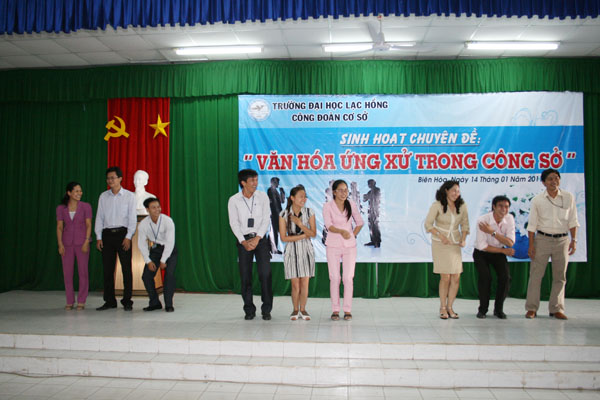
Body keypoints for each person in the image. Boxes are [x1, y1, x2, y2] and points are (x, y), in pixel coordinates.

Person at [525, 168, 579, 320]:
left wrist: (574, 240)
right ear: (544, 182)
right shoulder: (537, 200)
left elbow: (573, 220)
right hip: (542, 239)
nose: (554, 181)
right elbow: (532, 224)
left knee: (560, 276)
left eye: (556, 178)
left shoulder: (568, 197)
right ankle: (531, 308)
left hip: (562, 240)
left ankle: (556, 308)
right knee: (536, 275)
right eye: (550, 179)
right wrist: (531, 245)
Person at [228, 169, 273, 320]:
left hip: (261, 240)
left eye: (256, 180)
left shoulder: (262, 196)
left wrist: (258, 238)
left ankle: (266, 309)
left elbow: (266, 218)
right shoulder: (234, 200)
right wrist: (243, 241)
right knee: (245, 276)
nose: (255, 183)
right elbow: (234, 223)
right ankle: (249, 310)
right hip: (243, 241)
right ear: (243, 183)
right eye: (252, 180)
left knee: (265, 274)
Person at [424, 180, 469, 319]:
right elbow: (428, 224)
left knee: (456, 276)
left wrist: (463, 238)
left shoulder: (462, 205)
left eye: (458, 191)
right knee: (445, 276)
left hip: (455, 243)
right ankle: (442, 307)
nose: (456, 193)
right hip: (440, 244)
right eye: (454, 190)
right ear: (446, 191)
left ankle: (450, 307)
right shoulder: (437, 205)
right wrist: (441, 236)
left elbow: (465, 224)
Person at [94, 166, 137, 311]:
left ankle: (127, 300)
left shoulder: (129, 196)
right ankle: (110, 301)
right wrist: (99, 237)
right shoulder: (103, 196)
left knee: (126, 269)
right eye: (108, 178)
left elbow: (132, 219)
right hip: (107, 235)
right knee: (107, 270)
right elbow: (99, 217)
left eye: (113, 178)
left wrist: (128, 237)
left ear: (120, 179)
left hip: (123, 234)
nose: (110, 180)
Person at [323, 179, 364, 321]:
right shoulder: (327, 206)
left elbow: (360, 222)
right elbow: (329, 225)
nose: (344, 193)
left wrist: (352, 235)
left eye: (346, 190)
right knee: (335, 278)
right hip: (332, 245)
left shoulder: (351, 204)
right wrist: (341, 231)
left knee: (347, 278)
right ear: (334, 192)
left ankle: (347, 310)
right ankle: (335, 310)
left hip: (349, 247)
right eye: (340, 190)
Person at [473, 195, 515, 319]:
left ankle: (498, 310)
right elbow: (483, 246)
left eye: (506, 207)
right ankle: (482, 310)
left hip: (499, 252)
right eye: (500, 206)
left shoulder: (510, 218)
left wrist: (492, 232)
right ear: (493, 207)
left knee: (505, 278)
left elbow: (510, 243)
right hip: (482, 253)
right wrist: (503, 251)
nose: (504, 209)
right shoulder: (483, 220)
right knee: (485, 278)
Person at [278, 185, 316, 321]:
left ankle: (303, 309)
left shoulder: (309, 212)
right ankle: (295, 309)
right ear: (292, 198)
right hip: (291, 251)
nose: (303, 199)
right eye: (301, 196)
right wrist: (302, 236)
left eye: (305, 196)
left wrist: (300, 224)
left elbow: (313, 233)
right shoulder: (283, 214)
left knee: (305, 282)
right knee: (295, 284)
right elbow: (283, 238)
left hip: (306, 250)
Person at [56, 182, 92, 310]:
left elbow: (89, 225)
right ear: (69, 193)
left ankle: (81, 300)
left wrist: (86, 241)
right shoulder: (61, 208)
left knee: (83, 272)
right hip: (66, 244)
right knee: (67, 273)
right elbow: (59, 227)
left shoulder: (86, 206)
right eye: (76, 191)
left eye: (80, 191)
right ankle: (69, 301)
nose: (79, 193)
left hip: (82, 243)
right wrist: (60, 244)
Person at [138, 197, 177, 312]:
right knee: (146, 276)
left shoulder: (167, 221)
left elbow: (170, 242)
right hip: (155, 250)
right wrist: (148, 261)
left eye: (158, 207)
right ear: (147, 210)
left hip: (170, 250)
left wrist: (163, 260)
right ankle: (154, 302)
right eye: (153, 207)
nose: (157, 210)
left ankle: (169, 304)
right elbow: (141, 244)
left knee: (169, 275)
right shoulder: (143, 224)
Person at [267, 177, 285, 254]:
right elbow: (271, 202)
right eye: (277, 182)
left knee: (277, 231)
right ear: (273, 183)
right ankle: (273, 249)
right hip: (273, 213)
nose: (278, 184)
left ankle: (272, 248)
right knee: (273, 231)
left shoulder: (277, 191)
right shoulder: (270, 190)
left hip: (278, 214)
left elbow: (282, 201)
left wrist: (282, 193)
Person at [363, 179, 382, 248]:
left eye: (371, 183)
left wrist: (368, 196)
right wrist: (365, 197)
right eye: (369, 183)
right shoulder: (369, 192)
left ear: (374, 183)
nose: (370, 185)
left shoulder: (377, 190)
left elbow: (375, 197)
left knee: (375, 226)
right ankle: (373, 241)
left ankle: (377, 241)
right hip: (370, 211)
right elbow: (365, 200)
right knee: (371, 226)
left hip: (376, 210)